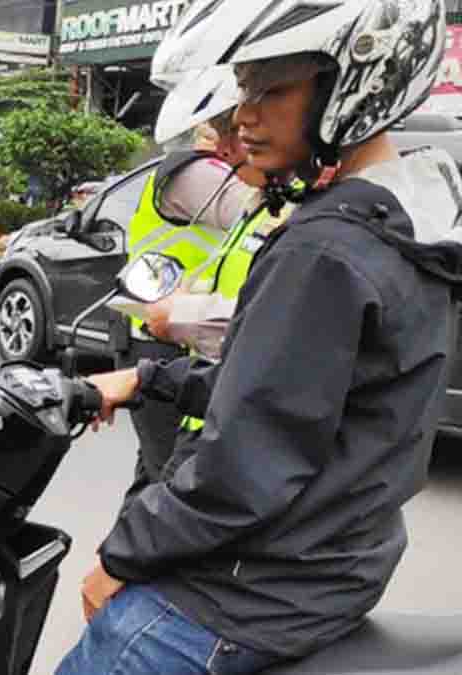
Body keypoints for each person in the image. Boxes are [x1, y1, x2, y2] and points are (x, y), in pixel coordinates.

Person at [58, 1, 462, 673]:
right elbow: (283, 389)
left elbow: (240, 465)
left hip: (253, 589)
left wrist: (118, 555)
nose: (244, 114)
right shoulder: (404, 225)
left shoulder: (325, 252)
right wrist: (145, 379)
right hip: (331, 568)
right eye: (245, 86)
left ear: (354, 82)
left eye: (271, 88)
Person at [115, 104, 258, 492]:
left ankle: (119, 551)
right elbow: (258, 214)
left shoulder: (206, 171)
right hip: (163, 340)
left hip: (181, 337)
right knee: (171, 484)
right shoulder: (196, 174)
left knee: (152, 476)